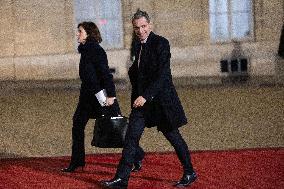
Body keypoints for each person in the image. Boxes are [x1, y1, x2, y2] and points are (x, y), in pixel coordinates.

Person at [101, 9, 197, 188]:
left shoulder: (161, 43)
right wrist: (138, 93)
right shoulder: (137, 44)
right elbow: (138, 71)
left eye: (144, 26)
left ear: (150, 25)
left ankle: (190, 172)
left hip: (160, 102)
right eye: (137, 28)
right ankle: (122, 179)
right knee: (130, 138)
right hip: (141, 104)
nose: (141, 31)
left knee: (174, 137)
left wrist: (146, 95)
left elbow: (164, 75)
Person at [62, 21, 121, 172]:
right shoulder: (85, 50)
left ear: (89, 33)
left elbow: (105, 74)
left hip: (102, 97)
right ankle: (77, 161)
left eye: (80, 31)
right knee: (77, 125)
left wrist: (111, 96)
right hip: (87, 98)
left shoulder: (96, 50)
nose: (77, 34)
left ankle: (136, 155)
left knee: (117, 128)